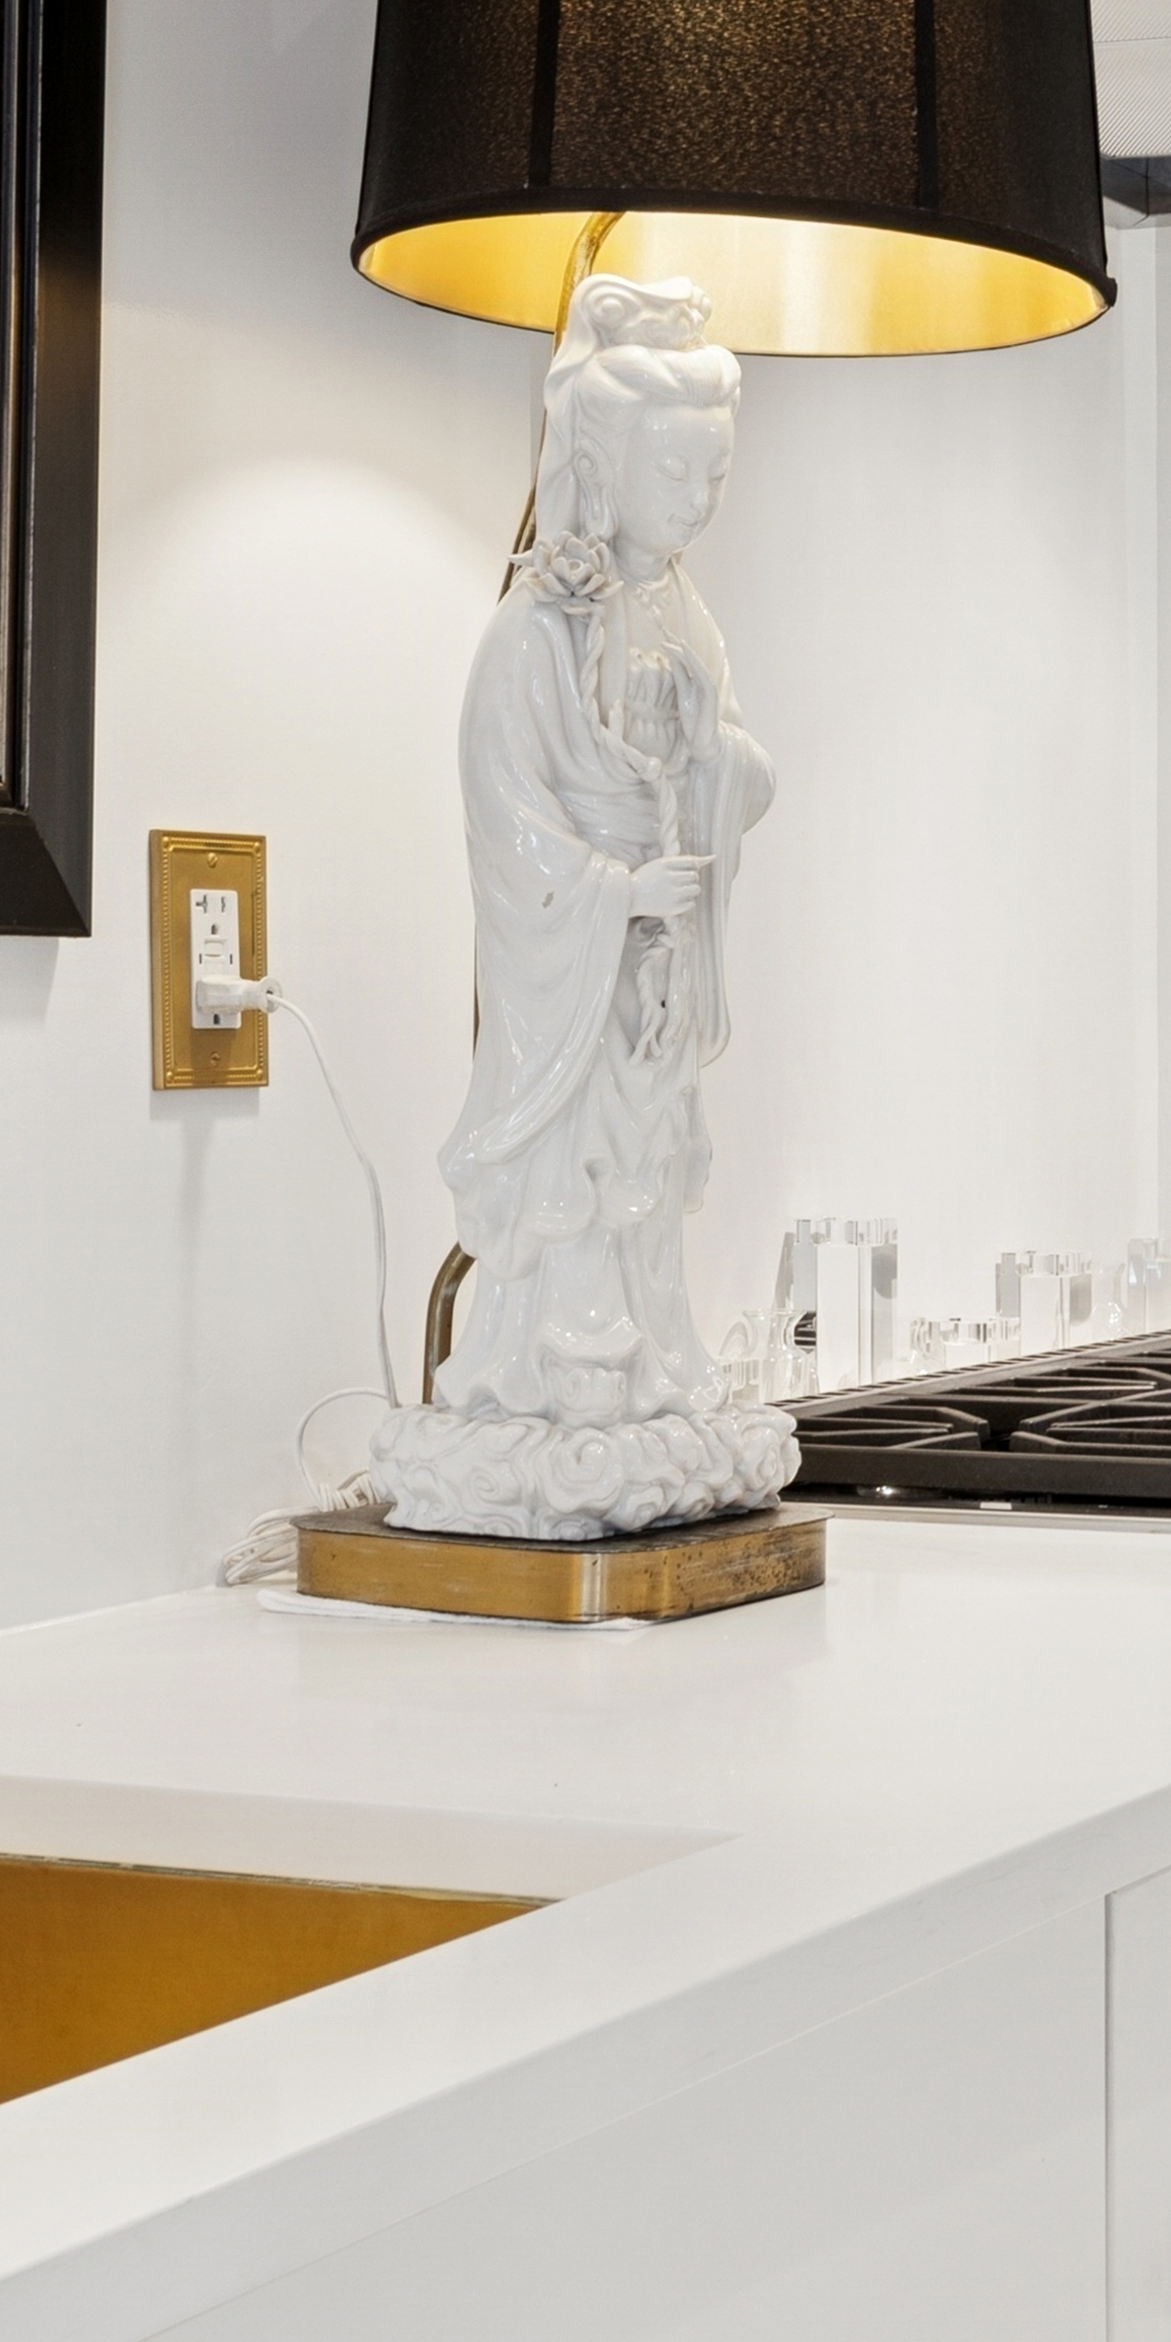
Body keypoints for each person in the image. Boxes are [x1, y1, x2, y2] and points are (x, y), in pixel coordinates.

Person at [381, 267, 800, 1539]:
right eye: (680, 476)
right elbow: (507, 814)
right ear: (605, 465)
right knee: (577, 1175)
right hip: (581, 964)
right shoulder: (532, 633)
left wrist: (712, 776)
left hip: (651, 981)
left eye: (715, 478)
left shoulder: (687, 614)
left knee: (650, 1180)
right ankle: (550, 1384)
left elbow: (730, 756)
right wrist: (614, 890)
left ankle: (647, 1377)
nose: (700, 501)